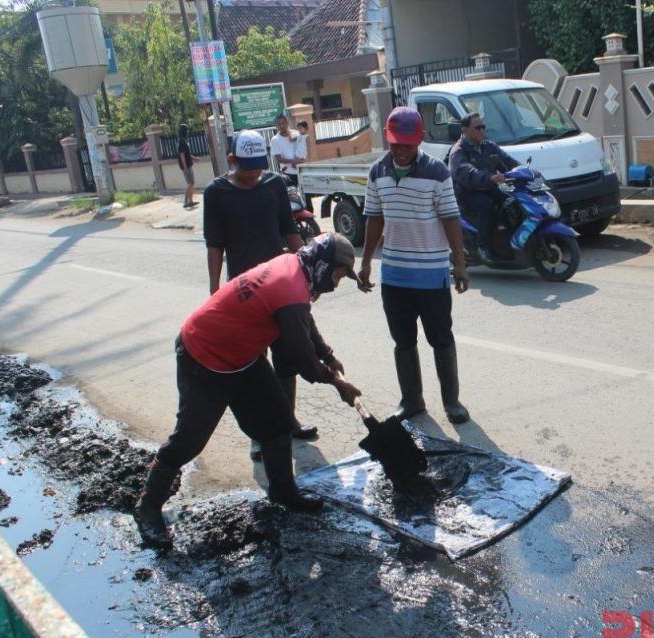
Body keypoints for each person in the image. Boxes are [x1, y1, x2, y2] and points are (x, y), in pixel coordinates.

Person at [133, 233, 363, 549]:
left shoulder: (294, 268)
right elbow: (299, 356)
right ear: (323, 264)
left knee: (277, 421)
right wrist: (337, 382)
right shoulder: (290, 285)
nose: (336, 283)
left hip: (243, 356)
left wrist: (326, 353)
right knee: (190, 439)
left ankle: (283, 491)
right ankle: (147, 508)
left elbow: (303, 320)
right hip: (205, 355)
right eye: (337, 274)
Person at [202, 129, 318, 444]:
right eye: (246, 166)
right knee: (253, 363)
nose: (254, 172)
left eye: (258, 165)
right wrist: (215, 289)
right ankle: (261, 435)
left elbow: (289, 230)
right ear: (231, 160)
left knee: (287, 356)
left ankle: (287, 422)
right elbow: (214, 244)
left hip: (280, 286)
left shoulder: (274, 185)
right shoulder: (216, 193)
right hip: (243, 294)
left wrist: (305, 271)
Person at [359, 106, 471, 425]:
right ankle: (411, 400)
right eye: (395, 143)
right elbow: (374, 219)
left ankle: (452, 401)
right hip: (394, 276)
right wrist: (366, 262)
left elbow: (451, 218)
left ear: (419, 140)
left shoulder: (438, 172)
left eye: (407, 144)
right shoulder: (377, 172)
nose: (401, 150)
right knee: (403, 342)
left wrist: (459, 264)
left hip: (432, 275)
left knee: (441, 339)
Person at [447, 113, 519, 262]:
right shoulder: (458, 151)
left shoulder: (488, 146)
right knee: (486, 205)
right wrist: (490, 177)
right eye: (477, 128)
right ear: (465, 130)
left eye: (483, 127)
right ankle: (482, 247)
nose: (482, 131)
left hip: (489, 188)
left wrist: (527, 171)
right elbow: (467, 172)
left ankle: (508, 242)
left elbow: (508, 161)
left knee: (513, 201)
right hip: (467, 193)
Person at [270, 114, 304, 187]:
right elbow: (278, 159)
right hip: (288, 174)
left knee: (306, 196)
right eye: (279, 124)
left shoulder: (296, 134)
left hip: (302, 171)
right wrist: (294, 161)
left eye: (283, 123)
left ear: (287, 123)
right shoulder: (275, 140)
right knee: (292, 197)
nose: (282, 126)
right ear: (276, 126)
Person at [177, 123, 197, 209]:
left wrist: (193, 158)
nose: (188, 131)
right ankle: (185, 202)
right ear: (184, 131)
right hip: (186, 165)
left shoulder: (184, 140)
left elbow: (187, 153)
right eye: (187, 130)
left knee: (191, 183)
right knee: (190, 183)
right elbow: (182, 154)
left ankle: (191, 201)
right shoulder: (181, 140)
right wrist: (185, 167)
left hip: (188, 164)